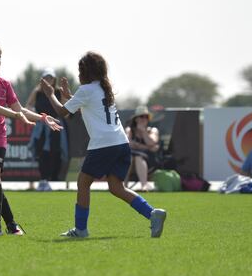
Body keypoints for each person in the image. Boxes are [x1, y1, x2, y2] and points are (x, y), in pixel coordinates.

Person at [40, 51, 167, 238]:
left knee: (83, 183)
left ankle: (81, 230)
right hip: (121, 143)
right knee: (116, 187)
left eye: (79, 70)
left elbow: (62, 112)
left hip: (103, 145)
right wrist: (68, 95)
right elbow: (88, 108)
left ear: (85, 71)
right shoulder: (103, 89)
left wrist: (51, 94)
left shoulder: (87, 90)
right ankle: (152, 213)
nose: (78, 74)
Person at [0, 41, 62, 236]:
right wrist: (16, 116)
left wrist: (42, 118)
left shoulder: (5, 84)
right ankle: (12, 225)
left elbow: (21, 109)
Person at [26, 68, 69, 191]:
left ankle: (48, 180)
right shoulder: (37, 92)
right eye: (46, 78)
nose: (48, 80)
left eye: (51, 78)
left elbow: (65, 108)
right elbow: (28, 105)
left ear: (54, 79)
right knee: (41, 153)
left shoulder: (58, 92)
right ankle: (43, 180)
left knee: (54, 153)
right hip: (41, 128)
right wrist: (36, 115)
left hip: (55, 127)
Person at [124, 105, 160, 192]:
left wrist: (143, 131)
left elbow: (152, 142)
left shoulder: (152, 130)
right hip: (130, 159)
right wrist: (147, 147)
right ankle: (124, 186)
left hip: (149, 161)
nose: (144, 119)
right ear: (136, 119)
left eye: (146, 117)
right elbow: (128, 143)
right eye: (141, 116)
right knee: (131, 156)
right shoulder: (130, 130)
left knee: (138, 157)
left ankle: (144, 185)